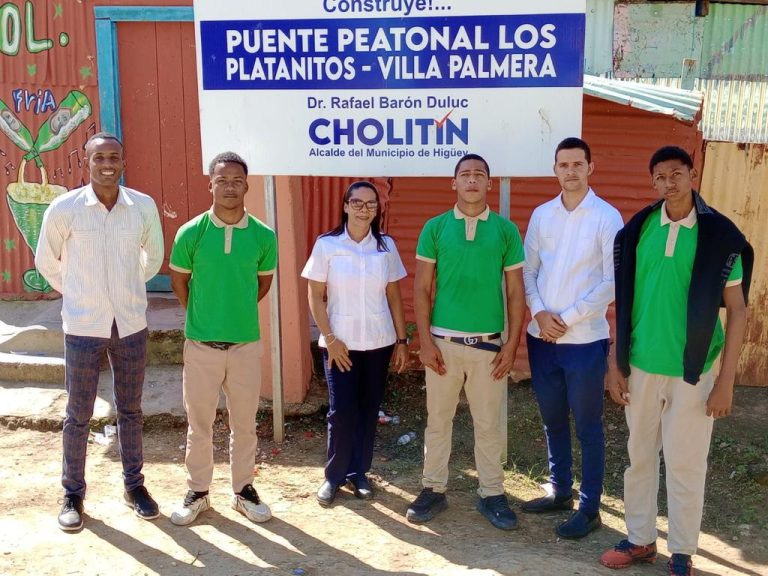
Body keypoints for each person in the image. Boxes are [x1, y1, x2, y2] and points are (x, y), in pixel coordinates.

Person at [600, 146, 752, 576]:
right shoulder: (639, 230)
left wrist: (726, 380)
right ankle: (640, 539)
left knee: (686, 462)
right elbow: (624, 301)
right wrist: (617, 361)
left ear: (693, 174)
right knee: (639, 457)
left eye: (677, 174)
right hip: (643, 367)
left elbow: (737, 309)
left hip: (694, 371)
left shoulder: (721, 236)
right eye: (660, 176)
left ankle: (682, 551)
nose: (669, 182)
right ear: (653, 183)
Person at [35, 132, 164, 531]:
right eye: (99, 158)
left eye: (114, 157)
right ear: (85, 162)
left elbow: (153, 258)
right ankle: (72, 493)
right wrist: (77, 291)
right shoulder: (64, 208)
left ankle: (134, 486)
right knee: (78, 414)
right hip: (83, 326)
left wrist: (125, 288)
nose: (107, 164)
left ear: (123, 161)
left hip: (130, 325)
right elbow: (46, 261)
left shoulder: (141, 207)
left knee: (130, 410)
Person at [406, 153, 526, 530]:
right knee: (438, 421)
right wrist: (424, 341)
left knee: (488, 423)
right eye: (465, 174)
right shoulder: (436, 228)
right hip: (442, 345)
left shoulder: (506, 231)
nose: (472, 180)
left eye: (479, 175)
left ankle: (492, 494)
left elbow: (515, 294)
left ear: (489, 183)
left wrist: (511, 345)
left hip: (489, 347)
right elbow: (422, 289)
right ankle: (433, 489)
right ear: (453, 183)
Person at [521, 137, 624, 538]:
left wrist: (567, 317)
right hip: (542, 338)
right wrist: (540, 313)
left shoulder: (606, 217)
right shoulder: (542, 215)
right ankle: (560, 490)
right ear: (555, 170)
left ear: (590, 168)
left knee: (588, 426)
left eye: (577, 164)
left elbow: (611, 281)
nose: (570, 171)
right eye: (563, 165)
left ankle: (590, 507)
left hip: (584, 340)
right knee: (552, 420)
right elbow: (528, 272)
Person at [168, 151, 277, 526]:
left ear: (247, 185)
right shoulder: (190, 232)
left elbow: (262, 284)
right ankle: (198, 491)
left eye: (237, 180)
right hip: (201, 346)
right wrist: (204, 314)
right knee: (199, 424)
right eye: (222, 180)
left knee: (244, 424)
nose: (229, 186)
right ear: (210, 184)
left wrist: (234, 311)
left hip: (245, 344)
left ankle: (243, 490)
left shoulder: (264, 235)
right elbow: (179, 282)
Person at [302, 181, 408, 506]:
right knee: (341, 411)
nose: (364, 209)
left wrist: (402, 341)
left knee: (367, 410)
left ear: (378, 209)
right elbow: (315, 296)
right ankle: (334, 477)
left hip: (379, 342)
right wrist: (330, 339)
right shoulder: (327, 245)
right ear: (346, 206)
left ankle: (359, 473)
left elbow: (393, 294)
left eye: (371, 204)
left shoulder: (385, 246)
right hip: (341, 345)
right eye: (357, 203)